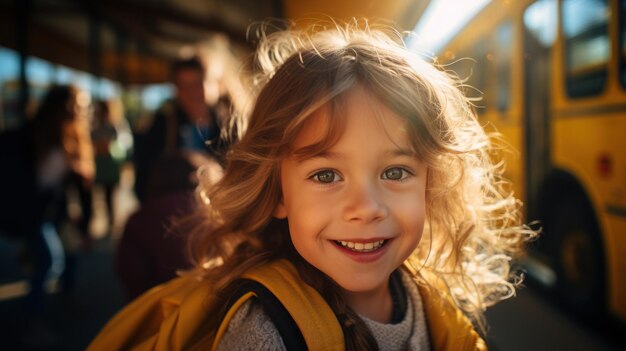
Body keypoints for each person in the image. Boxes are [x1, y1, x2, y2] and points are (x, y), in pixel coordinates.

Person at [90, 22, 535, 350]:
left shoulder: (424, 299)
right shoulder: (263, 335)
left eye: (396, 172)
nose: (366, 208)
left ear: (430, 183)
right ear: (278, 193)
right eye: (326, 175)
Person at [132, 52, 242, 203]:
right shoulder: (162, 126)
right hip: (175, 215)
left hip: (221, 215)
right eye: (184, 86)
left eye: (198, 83)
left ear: (215, 84)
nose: (192, 92)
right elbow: (144, 177)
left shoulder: (232, 126)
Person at [115, 151, 220, 299]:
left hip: (155, 309)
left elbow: (129, 272)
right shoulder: (216, 217)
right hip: (208, 308)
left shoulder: (139, 220)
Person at [91, 98, 132, 234]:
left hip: (112, 167)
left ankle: (112, 221)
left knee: (111, 195)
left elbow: (125, 145)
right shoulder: (95, 125)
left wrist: (110, 147)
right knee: (102, 195)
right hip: (101, 167)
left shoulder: (117, 125)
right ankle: (109, 221)